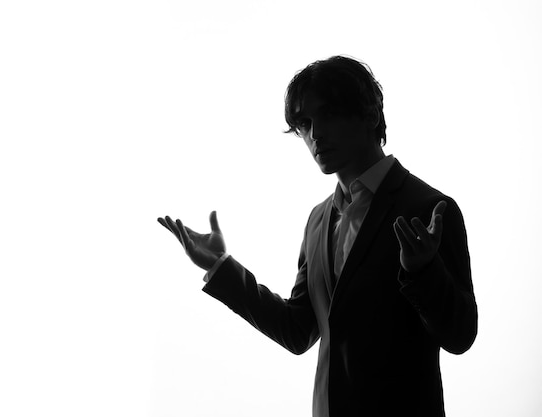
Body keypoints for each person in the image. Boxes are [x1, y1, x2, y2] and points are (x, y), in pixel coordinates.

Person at [158, 55, 477, 417]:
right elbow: (297, 330)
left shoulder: (429, 208)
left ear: (371, 115)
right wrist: (220, 266)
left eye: (327, 115)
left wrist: (423, 272)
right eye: (305, 124)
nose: (315, 134)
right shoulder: (318, 219)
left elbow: (460, 335)